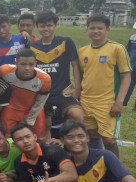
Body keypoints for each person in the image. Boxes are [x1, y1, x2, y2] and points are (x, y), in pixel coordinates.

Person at [77, 14, 131, 158]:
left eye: (100, 28)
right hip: (86, 101)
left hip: (107, 103)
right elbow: (84, 75)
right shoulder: (82, 51)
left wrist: (119, 102)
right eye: (92, 28)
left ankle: (115, 172)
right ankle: (96, 163)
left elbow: (126, 76)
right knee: (91, 134)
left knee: (109, 139)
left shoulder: (116, 48)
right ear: (87, 30)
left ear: (107, 29)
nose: (96, 31)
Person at [30, 11, 85, 137]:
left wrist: (77, 88)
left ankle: (75, 148)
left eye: (49, 25)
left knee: (78, 116)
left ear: (55, 26)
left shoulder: (66, 42)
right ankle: (49, 149)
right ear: (37, 27)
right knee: (45, 126)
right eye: (42, 26)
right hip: (42, 93)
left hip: (63, 91)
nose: (46, 29)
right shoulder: (32, 47)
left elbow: (75, 65)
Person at [123, 32, 136, 109]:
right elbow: (126, 50)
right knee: (129, 86)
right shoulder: (133, 37)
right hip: (132, 67)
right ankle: (123, 103)